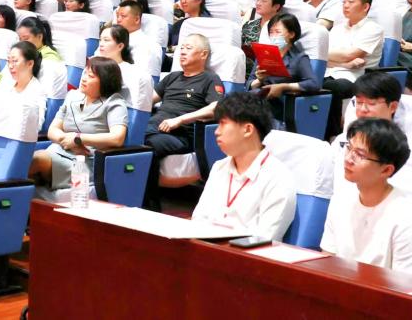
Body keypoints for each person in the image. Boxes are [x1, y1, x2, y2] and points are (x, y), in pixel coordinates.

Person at [320, 118, 412, 278]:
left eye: (359, 154)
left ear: (386, 170)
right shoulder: (340, 200)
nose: (348, 159)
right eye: (349, 148)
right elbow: (327, 263)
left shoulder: (409, 221)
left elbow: (409, 288)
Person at [191, 93, 297, 241]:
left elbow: (265, 237)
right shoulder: (219, 167)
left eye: (223, 123)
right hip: (206, 246)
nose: (216, 131)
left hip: (246, 253)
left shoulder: (278, 178)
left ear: (247, 129)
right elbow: (199, 218)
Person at [144, 34, 224, 210]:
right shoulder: (172, 77)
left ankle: (150, 204)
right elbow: (146, 102)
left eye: (189, 48)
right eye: (181, 48)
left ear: (203, 54)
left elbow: (216, 108)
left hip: (180, 134)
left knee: (147, 145)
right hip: (155, 127)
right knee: (132, 136)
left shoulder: (210, 79)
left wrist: (179, 120)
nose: (182, 52)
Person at [29, 57, 127, 191]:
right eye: (85, 73)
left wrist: (78, 139)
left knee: (34, 161)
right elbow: (52, 130)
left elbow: (117, 138)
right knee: (25, 168)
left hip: (84, 162)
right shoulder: (72, 96)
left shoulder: (114, 102)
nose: (84, 78)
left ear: (105, 81)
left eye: (91, 76)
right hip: (58, 150)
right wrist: (67, 141)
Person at [322, 0, 385, 139]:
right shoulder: (337, 28)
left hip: (357, 77)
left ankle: (333, 136)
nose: (345, 5)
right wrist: (344, 63)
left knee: (332, 87)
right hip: (330, 71)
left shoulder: (373, 29)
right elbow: (325, 58)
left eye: (351, 2)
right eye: (344, 2)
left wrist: (325, 54)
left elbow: (349, 55)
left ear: (365, 6)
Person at [248, 14, 318, 126]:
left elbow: (313, 83)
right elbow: (249, 84)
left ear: (291, 34)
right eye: (271, 32)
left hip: (281, 103)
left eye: (278, 32)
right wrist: (259, 80)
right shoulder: (263, 54)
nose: (273, 36)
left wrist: (283, 86)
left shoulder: (299, 58)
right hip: (257, 98)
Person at [96, 25, 154, 112]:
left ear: (120, 46)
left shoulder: (131, 72)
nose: (101, 44)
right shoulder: (94, 65)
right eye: (100, 40)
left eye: (106, 40)